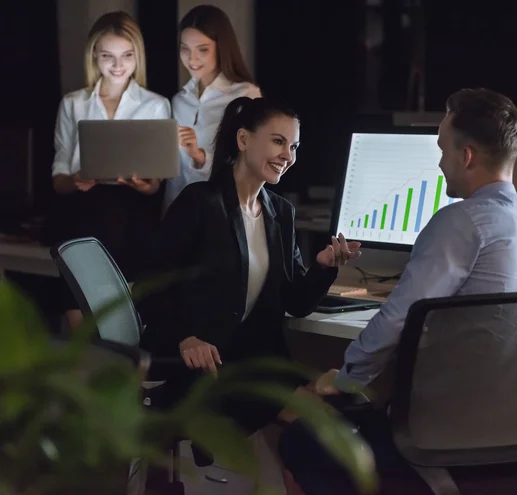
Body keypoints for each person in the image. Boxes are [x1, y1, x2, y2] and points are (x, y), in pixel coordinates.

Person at [278, 88, 517, 494]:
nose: (440, 162)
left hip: (436, 436)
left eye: (443, 149)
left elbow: (398, 317)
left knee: (300, 439)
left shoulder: (461, 222)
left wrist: (343, 381)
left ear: (467, 157)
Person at [139, 95, 361, 435]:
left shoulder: (281, 212)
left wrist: (324, 267)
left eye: (294, 146)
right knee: (318, 427)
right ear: (243, 140)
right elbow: (152, 284)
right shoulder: (199, 202)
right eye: (278, 141)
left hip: (255, 363)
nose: (288, 155)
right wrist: (185, 338)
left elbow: (296, 302)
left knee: (341, 409)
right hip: (202, 364)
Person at [50, 11, 170, 328]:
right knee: (79, 316)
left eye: (127, 56)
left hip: (132, 215)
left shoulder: (155, 105)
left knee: (123, 323)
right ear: (95, 57)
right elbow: (58, 177)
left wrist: (146, 185)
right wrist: (75, 180)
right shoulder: (73, 104)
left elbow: (156, 183)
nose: (118, 65)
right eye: (108, 56)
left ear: (137, 57)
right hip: (82, 212)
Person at [163, 4, 261, 210]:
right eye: (185, 49)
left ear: (221, 47)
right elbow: (174, 173)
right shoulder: (179, 101)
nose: (192, 59)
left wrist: (199, 156)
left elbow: (248, 163)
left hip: (222, 210)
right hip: (177, 209)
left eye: (203, 50)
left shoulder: (245, 95)